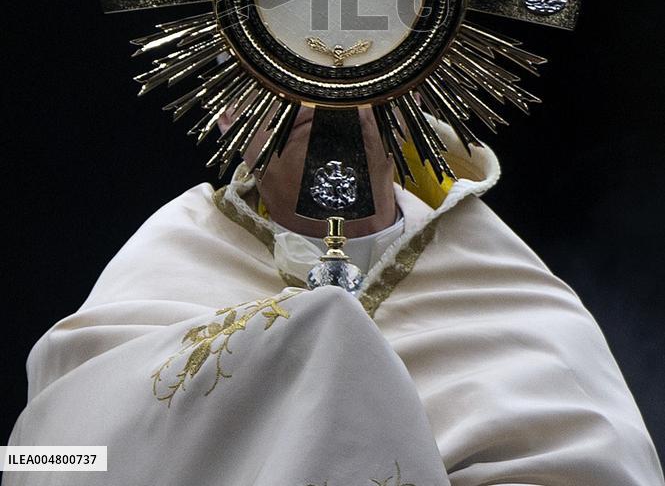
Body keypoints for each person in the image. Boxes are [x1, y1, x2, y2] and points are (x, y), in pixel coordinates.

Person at [5, 106, 663, 485]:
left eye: (353, 52)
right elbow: (45, 458)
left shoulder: (508, 291)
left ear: (409, 80)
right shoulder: (169, 254)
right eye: (285, 59)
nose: (319, 95)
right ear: (230, 107)